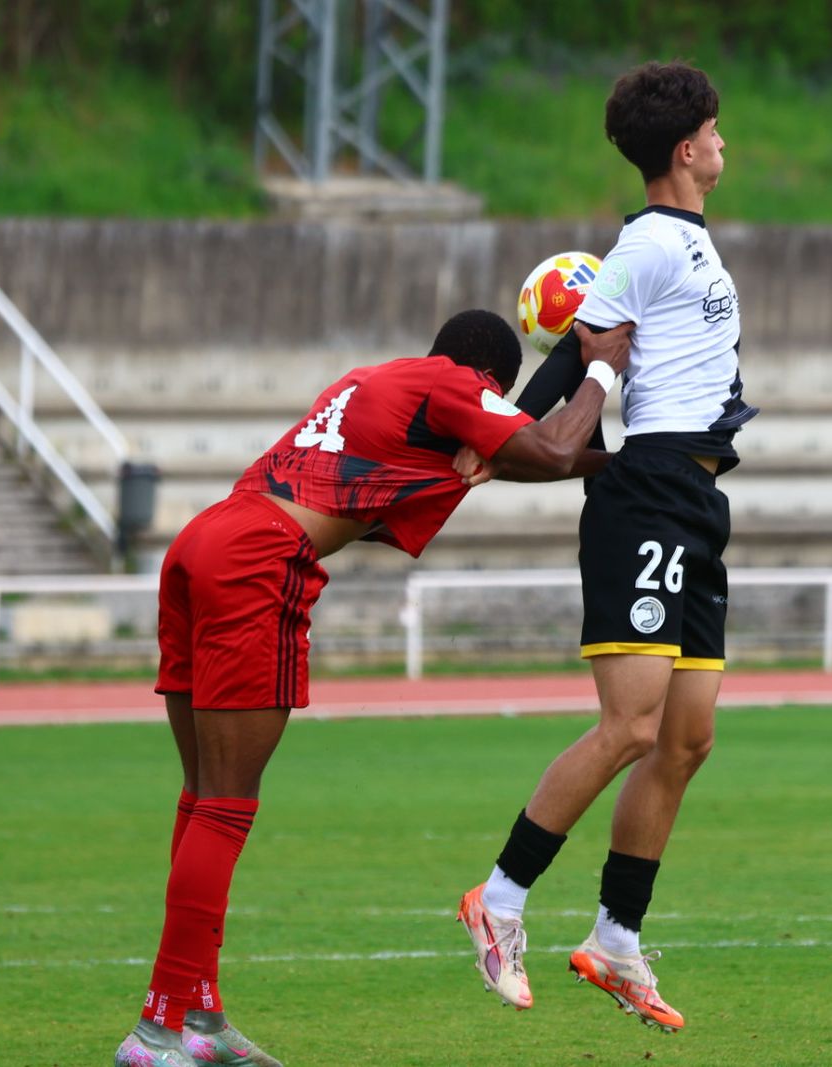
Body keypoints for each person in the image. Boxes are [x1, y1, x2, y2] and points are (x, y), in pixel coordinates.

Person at [114, 309, 631, 1067]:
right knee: (226, 805)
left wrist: (612, 464)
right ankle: (158, 1031)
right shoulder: (456, 383)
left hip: (206, 538)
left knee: (201, 799)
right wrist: (601, 366)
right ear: (490, 378)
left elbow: (524, 456)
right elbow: (549, 447)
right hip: (259, 559)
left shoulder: (378, 383)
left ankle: (197, 1016)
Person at [456, 60, 756, 1033]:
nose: (723, 144)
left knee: (686, 735)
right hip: (650, 494)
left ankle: (616, 935)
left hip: (699, 502)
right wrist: (494, 438)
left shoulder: (688, 246)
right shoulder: (651, 241)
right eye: (714, 131)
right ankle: (499, 899)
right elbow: (578, 353)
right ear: (685, 148)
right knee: (629, 725)